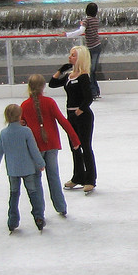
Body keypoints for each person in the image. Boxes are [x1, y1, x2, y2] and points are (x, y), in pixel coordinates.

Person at [21, 74, 80, 218]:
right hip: (52, 144)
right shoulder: (50, 102)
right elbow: (63, 121)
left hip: (35, 148)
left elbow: (21, 125)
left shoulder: (24, 106)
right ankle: (61, 206)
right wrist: (75, 139)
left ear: (29, 87)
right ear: (43, 87)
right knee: (53, 176)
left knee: (36, 178)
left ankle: (39, 212)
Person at [0, 104, 47, 233]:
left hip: (13, 170)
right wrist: (40, 163)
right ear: (20, 116)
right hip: (28, 169)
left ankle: (12, 220)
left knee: (14, 194)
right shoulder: (26, 131)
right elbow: (33, 149)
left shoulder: (4, 133)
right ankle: (38, 217)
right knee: (33, 193)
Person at [49, 46, 96, 195]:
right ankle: (78, 176)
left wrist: (79, 111)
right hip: (71, 116)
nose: (70, 57)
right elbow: (52, 83)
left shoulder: (83, 76)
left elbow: (88, 98)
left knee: (85, 147)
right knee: (74, 146)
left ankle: (90, 179)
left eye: (73, 55)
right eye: (70, 55)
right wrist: (61, 70)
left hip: (83, 116)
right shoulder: (70, 76)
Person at [65, 2, 102, 99]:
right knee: (92, 70)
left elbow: (81, 31)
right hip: (97, 46)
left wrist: (67, 34)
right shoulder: (95, 20)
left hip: (91, 47)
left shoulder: (87, 20)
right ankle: (95, 91)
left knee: (90, 70)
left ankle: (93, 91)